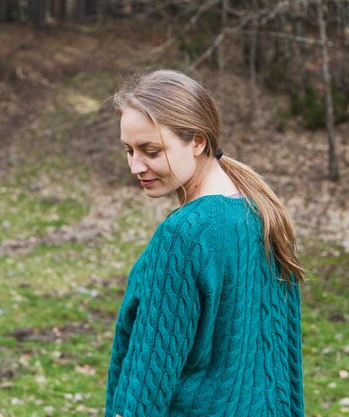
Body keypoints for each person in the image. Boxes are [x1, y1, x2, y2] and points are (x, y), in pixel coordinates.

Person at [104, 70, 305, 417]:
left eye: (151, 151)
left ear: (197, 142)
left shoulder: (185, 235)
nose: (136, 166)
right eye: (129, 150)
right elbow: (281, 372)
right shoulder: (263, 212)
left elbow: (147, 379)